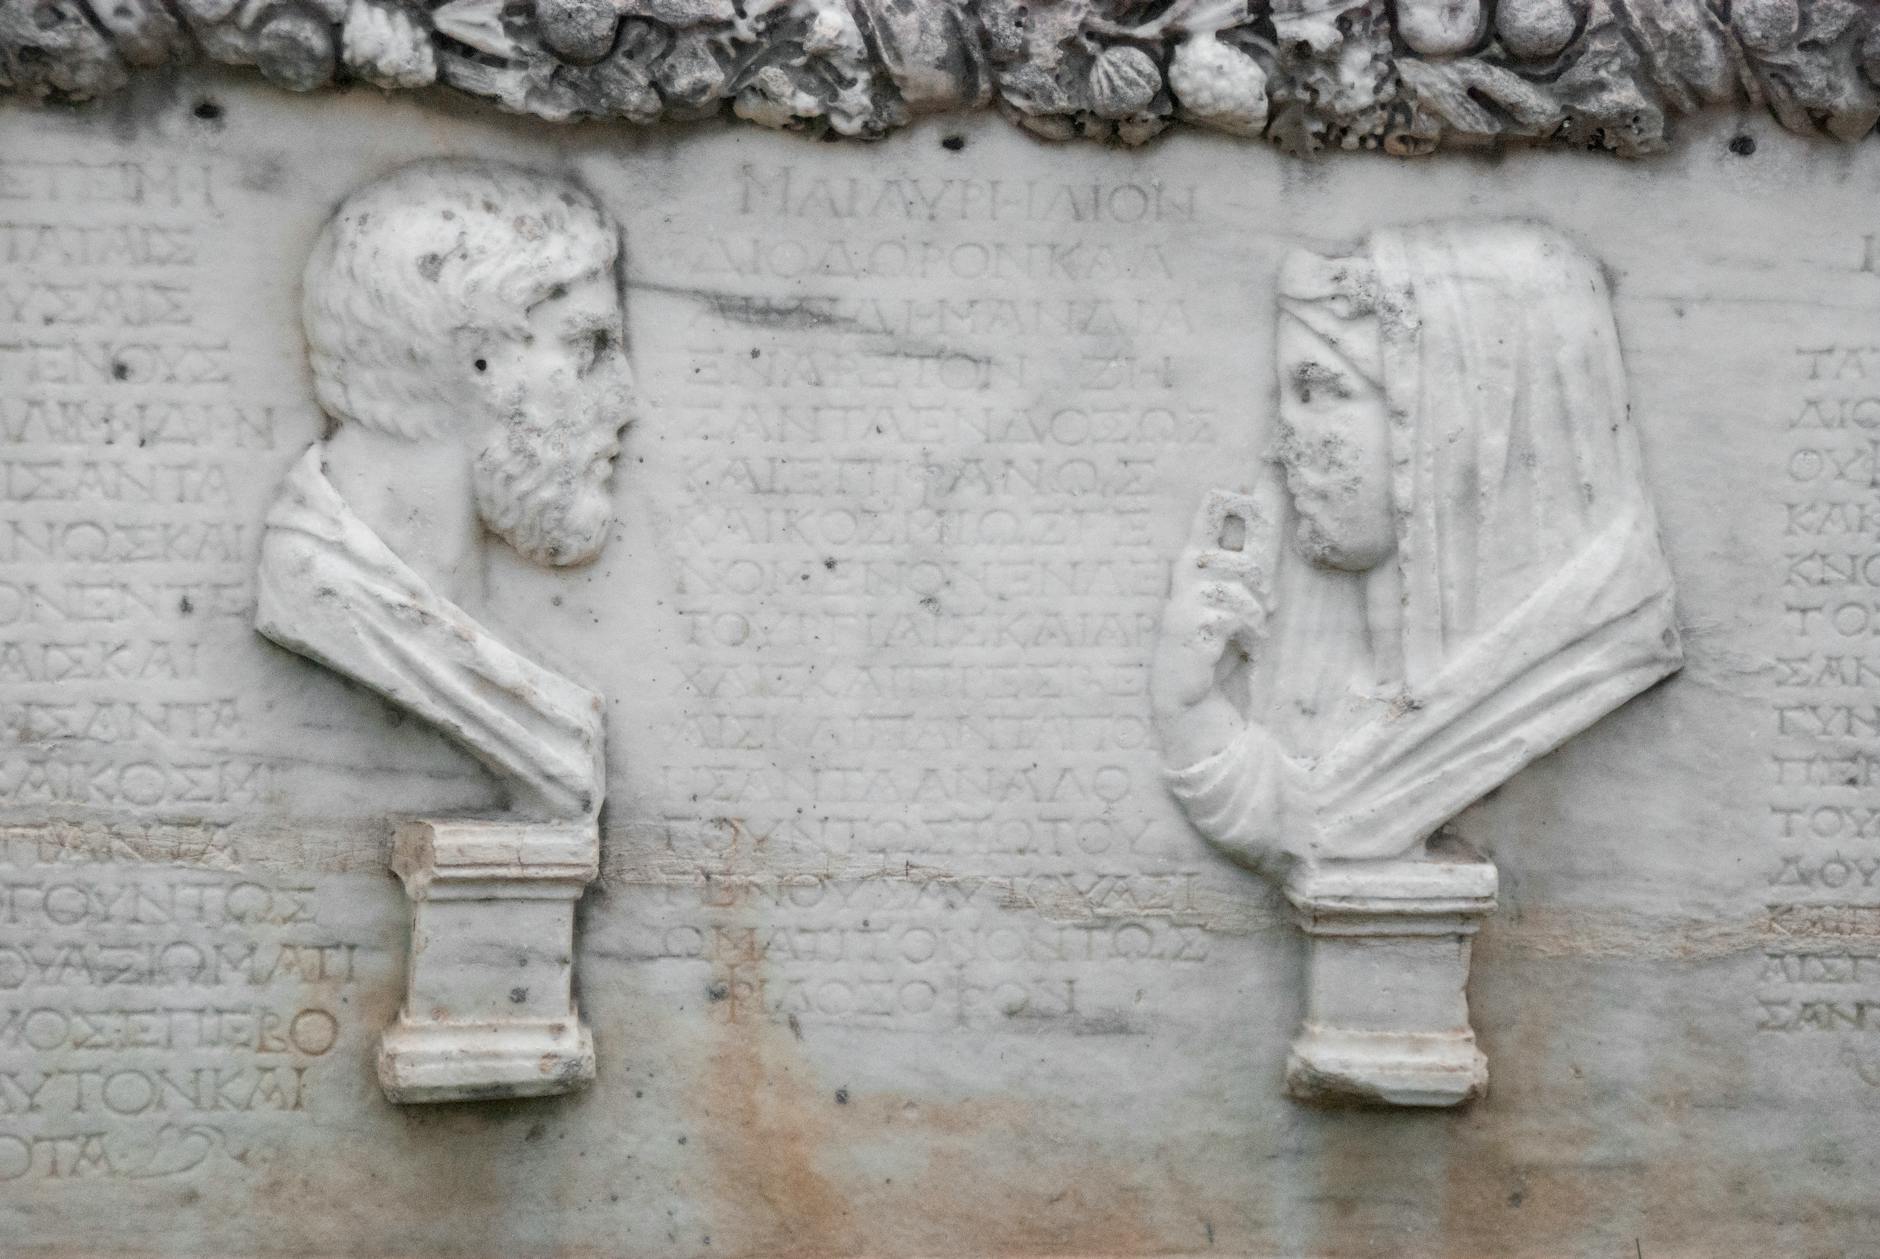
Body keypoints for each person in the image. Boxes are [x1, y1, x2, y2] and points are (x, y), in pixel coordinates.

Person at [1153, 219, 1683, 878]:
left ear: (1459, 412)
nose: (1280, 442)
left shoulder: (1582, 656)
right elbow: (1306, 815)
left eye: (1322, 391)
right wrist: (1190, 705)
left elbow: (1324, 821)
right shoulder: (1354, 687)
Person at [255, 159, 634, 820]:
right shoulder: (324, 599)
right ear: (475, 363)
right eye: (589, 348)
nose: (625, 400)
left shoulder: (453, 625)